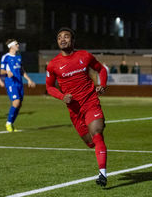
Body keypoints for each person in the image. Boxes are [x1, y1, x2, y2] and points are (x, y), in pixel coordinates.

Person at [46, 27, 108, 187]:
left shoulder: (84, 55)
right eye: (59, 37)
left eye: (66, 36)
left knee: (97, 133)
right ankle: (98, 144)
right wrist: (62, 96)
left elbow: (101, 69)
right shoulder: (53, 65)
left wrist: (102, 84)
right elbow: (49, 87)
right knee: (90, 142)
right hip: (74, 110)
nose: (62, 39)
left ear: (73, 41)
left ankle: (102, 174)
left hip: (90, 101)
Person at [0, 39, 36, 132]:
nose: (18, 45)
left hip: (19, 83)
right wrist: (7, 72)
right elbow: (1, 71)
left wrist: (29, 80)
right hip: (11, 83)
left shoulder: (19, 56)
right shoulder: (6, 57)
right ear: (11, 46)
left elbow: (21, 70)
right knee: (16, 102)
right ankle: (8, 123)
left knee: (19, 105)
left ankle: (11, 123)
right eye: (16, 44)